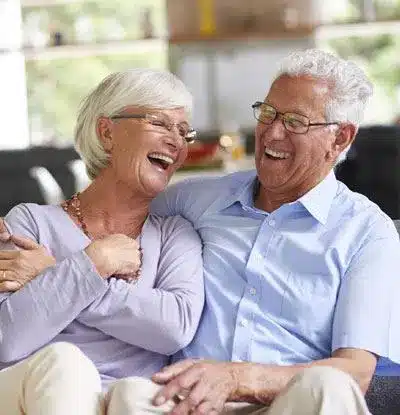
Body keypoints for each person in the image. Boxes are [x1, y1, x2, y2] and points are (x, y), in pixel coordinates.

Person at [2, 48, 400, 414]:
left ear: (340, 137)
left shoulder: (367, 233)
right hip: (179, 400)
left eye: (294, 122)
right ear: (107, 132)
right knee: (127, 391)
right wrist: (80, 265)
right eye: (267, 114)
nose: (272, 133)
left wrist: (236, 378)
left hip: (285, 400)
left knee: (327, 385)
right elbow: (113, 202)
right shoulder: (194, 202)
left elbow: (356, 372)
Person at [0, 68, 204, 415]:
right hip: (34, 394)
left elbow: (174, 328)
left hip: (131, 401)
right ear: (107, 132)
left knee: (134, 394)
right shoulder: (30, 223)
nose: (177, 142)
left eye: (184, 132)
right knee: (65, 363)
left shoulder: (175, 235)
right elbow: (8, 339)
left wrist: (60, 275)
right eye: (160, 123)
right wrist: (94, 263)